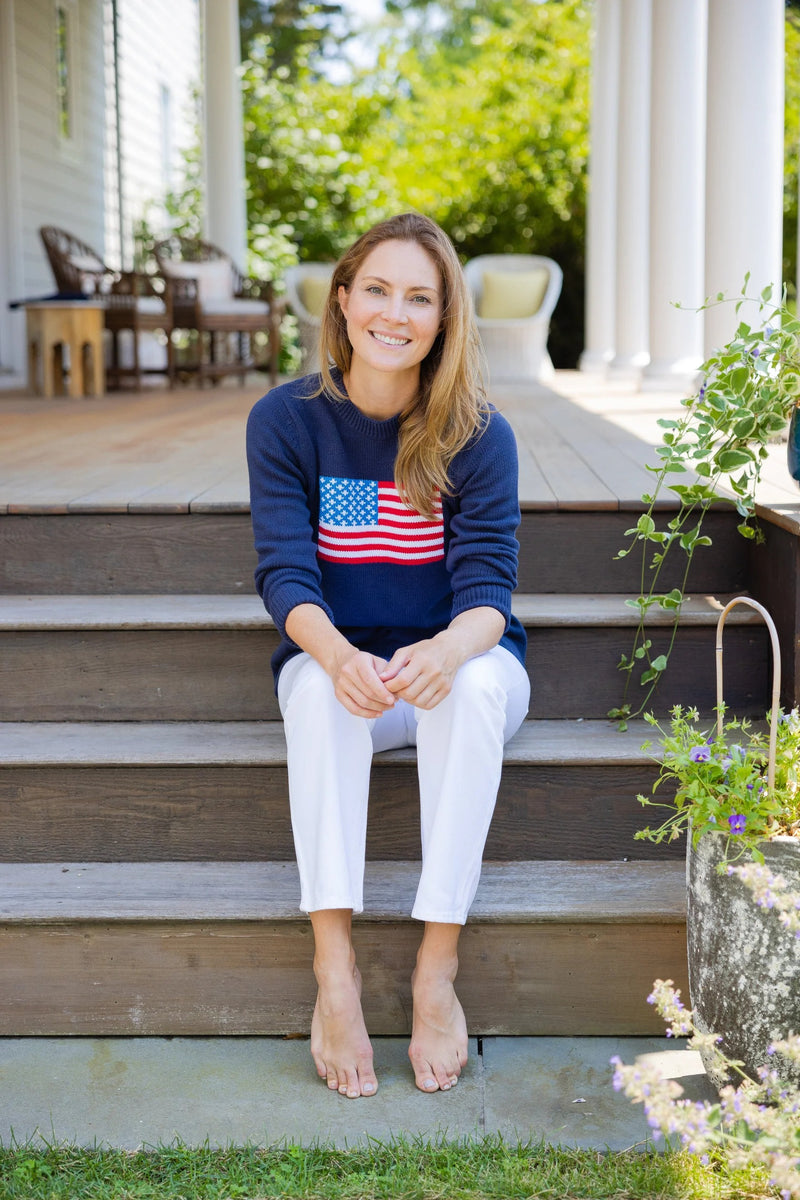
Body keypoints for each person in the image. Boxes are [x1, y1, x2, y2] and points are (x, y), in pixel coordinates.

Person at [246, 212, 529, 1100]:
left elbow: (489, 593)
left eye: (419, 297)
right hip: (344, 665)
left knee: (475, 688)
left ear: (444, 318)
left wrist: (446, 651)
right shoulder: (287, 421)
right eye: (376, 290)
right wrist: (335, 658)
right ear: (342, 300)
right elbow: (286, 575)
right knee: (315, 697)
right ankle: (335, 973)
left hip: (460, 665)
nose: (394, 314)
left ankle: (435, 965)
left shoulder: (480, 434)